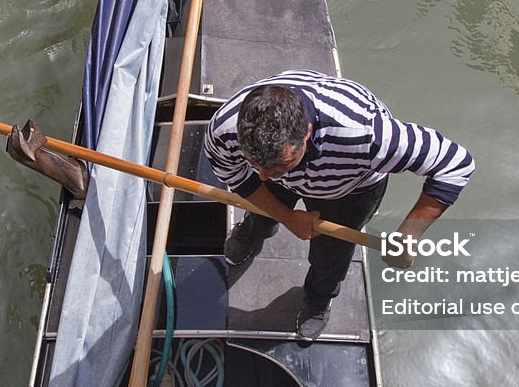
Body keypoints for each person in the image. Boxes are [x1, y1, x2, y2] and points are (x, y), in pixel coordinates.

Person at [203, 69, 475, 339]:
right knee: (261, 210)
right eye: (255, 163)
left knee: (331, 254)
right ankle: (254, 232)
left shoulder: (368, 135)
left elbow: (455, 164)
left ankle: (318, 300)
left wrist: (407, 237)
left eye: (279, 164)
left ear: (307, 132)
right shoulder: (226, 129)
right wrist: (287, 215)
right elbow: (238, 176)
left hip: (350, 187)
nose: (262, 174)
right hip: (288, 176)